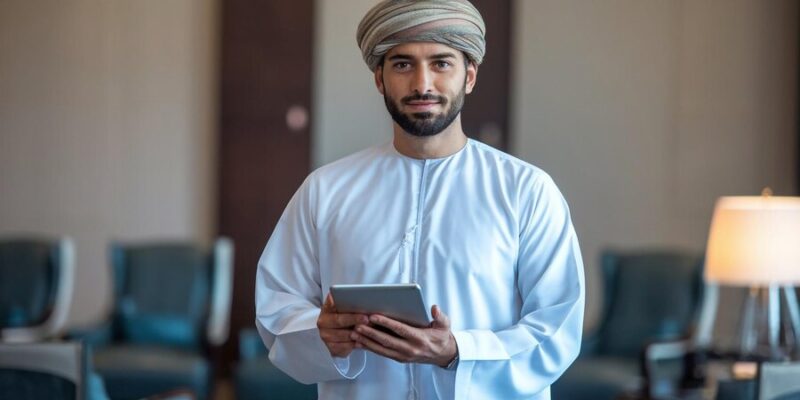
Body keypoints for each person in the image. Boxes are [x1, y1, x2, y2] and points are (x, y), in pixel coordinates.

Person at [255, 1, 585, 399]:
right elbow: (277, 306)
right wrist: (323, 335)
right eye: (402, 64)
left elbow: (556, 328)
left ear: (470, 75)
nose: (422, 84)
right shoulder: (326, 190)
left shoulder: (526, 191)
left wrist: (457, 352)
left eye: (441, 63)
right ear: (379, 78)